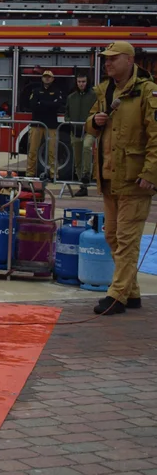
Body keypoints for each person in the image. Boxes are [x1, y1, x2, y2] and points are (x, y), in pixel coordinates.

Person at [85, 41, 157, 315]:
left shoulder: (147, 92)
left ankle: (116, 296)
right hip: (108, 178)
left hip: (134, 179)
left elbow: (156, 137)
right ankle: (132, 291)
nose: (107, 63)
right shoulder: (105, 90)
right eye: (106, 59)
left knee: (127, 239)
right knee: (112, 236)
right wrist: (95, 121)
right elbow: (89, 120)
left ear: (129, 60)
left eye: (113, 59)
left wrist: (151, 173)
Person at [26, 70, 64, 179]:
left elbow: (58, 105)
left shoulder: (57, 91)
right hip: (36, 125)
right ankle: (30, 174)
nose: (47, 79)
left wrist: (41, 103)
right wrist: (49, 105)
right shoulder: (36, 91)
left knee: (53, 152)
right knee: (32, 150)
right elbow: (32, 105)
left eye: (49, 77)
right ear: (42, 78)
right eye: (45, 77)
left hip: (51, 125)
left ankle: (54, 175)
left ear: (53, 79)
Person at [66, 72, 97, 196]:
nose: (81, 84)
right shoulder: (71, 97)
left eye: (83, 81)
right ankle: (83, 186)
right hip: (75, 131)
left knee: (87, 147)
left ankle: (86, 174)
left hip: (89, 130)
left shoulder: (94, 96)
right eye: (79, 82)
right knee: (77, 160)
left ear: (87, 82)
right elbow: (66, 113)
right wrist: (69, 122)